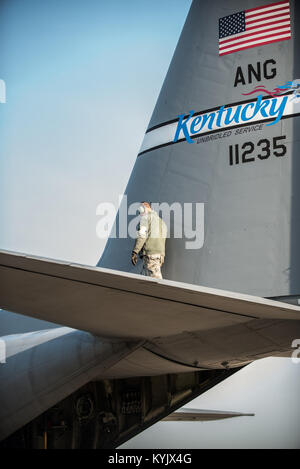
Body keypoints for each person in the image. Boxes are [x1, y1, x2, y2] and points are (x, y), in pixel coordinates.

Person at [131, 201, 167, 279]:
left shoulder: (145, 218)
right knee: (146, 280)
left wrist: (135, 251)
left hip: (151, 255)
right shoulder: (162, 222)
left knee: (155, 282)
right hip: (160, 255)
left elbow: (142, 235)